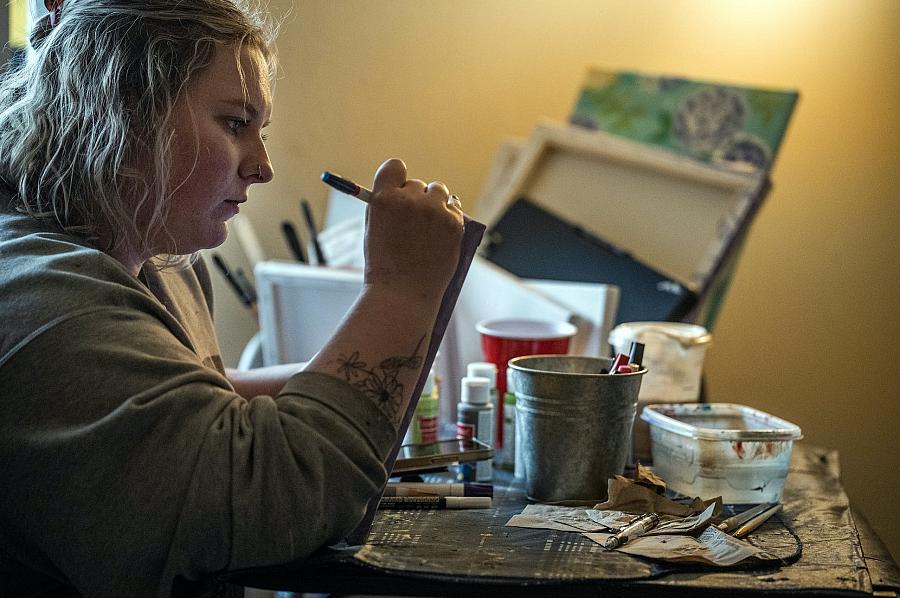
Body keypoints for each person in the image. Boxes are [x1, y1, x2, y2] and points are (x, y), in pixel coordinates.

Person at [0, 0, 464, 596]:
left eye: (260, 130)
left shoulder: (160, 265)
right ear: (121, 114)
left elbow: (179, 407)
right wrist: (403, 289)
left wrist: (351, 382)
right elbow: (276, 504)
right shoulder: (54, 304)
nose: (263, 167)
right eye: (235, 123)